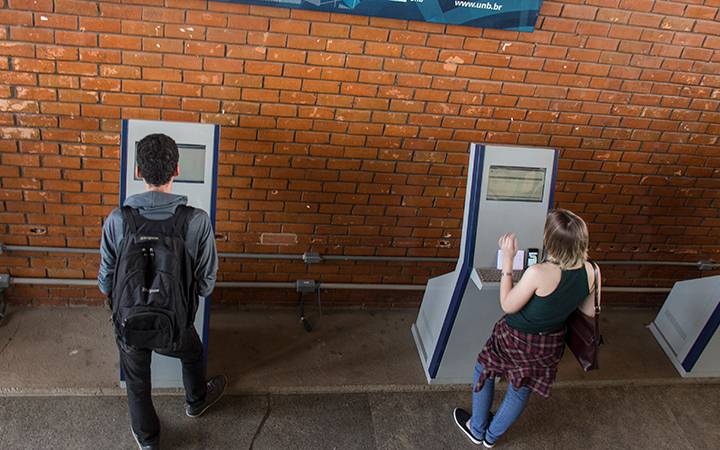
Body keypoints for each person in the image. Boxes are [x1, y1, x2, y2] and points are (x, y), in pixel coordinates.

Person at [98, 133, 224, 450]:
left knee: (137, 381)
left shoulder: (117, 220)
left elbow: (105, 280)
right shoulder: (197, 221)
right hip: (176, 324)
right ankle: (196, 401)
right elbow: (207, 282)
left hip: (130, 323)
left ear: (138, 172)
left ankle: (148, 440)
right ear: (176, 170)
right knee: (193, 354)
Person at [453, 209, 601, 448]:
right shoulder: (592, 271)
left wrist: (508, 261)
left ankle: (477, 428)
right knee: (521, 388)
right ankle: (491, 438)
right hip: (550, 343)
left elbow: (508, 304)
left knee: (484, 368)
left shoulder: (538, 273)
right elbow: (586, 314)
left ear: (550, 240)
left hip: (515, 338)